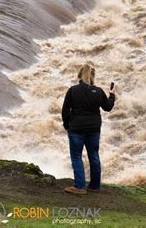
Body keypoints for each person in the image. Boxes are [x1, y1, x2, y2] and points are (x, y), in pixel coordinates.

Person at [61, 64, 116, 195]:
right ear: (93, 77)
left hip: (77, 128)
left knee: (76, 157)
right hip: (94, 129)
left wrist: (66, 125)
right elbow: (107, 107)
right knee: (94, 156)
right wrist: (112, 95)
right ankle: (95, 186)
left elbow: (65, 111)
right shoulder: (98, 91)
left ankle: (79, 187)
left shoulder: (73, 90)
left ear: (79, 75)